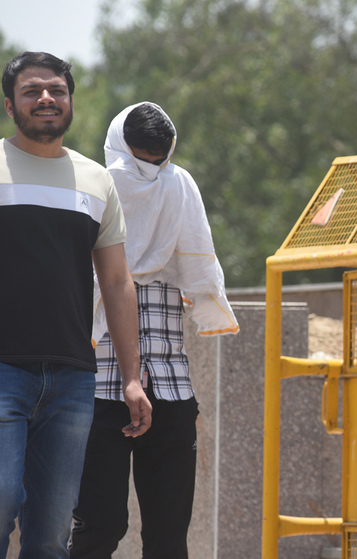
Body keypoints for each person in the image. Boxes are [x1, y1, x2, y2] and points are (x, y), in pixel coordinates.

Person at [70, 102, 239, 559]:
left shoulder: (180, 188)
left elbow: (196, 271)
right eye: (137, 162)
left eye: (158, 161)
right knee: (98, 530)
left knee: (169, 541)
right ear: (118, 151)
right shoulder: (91, 190)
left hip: (171, 387)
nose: (148, 174)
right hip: (98, 388)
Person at [0, 52, 151, 559]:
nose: (46, 99)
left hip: (72, 381)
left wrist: (131, 377)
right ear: (9, 105)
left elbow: (116, 280)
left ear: (70, 102)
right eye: (31, 91)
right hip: (1, 373)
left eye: (57, 91)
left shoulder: (96, 181)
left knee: (50, 534)